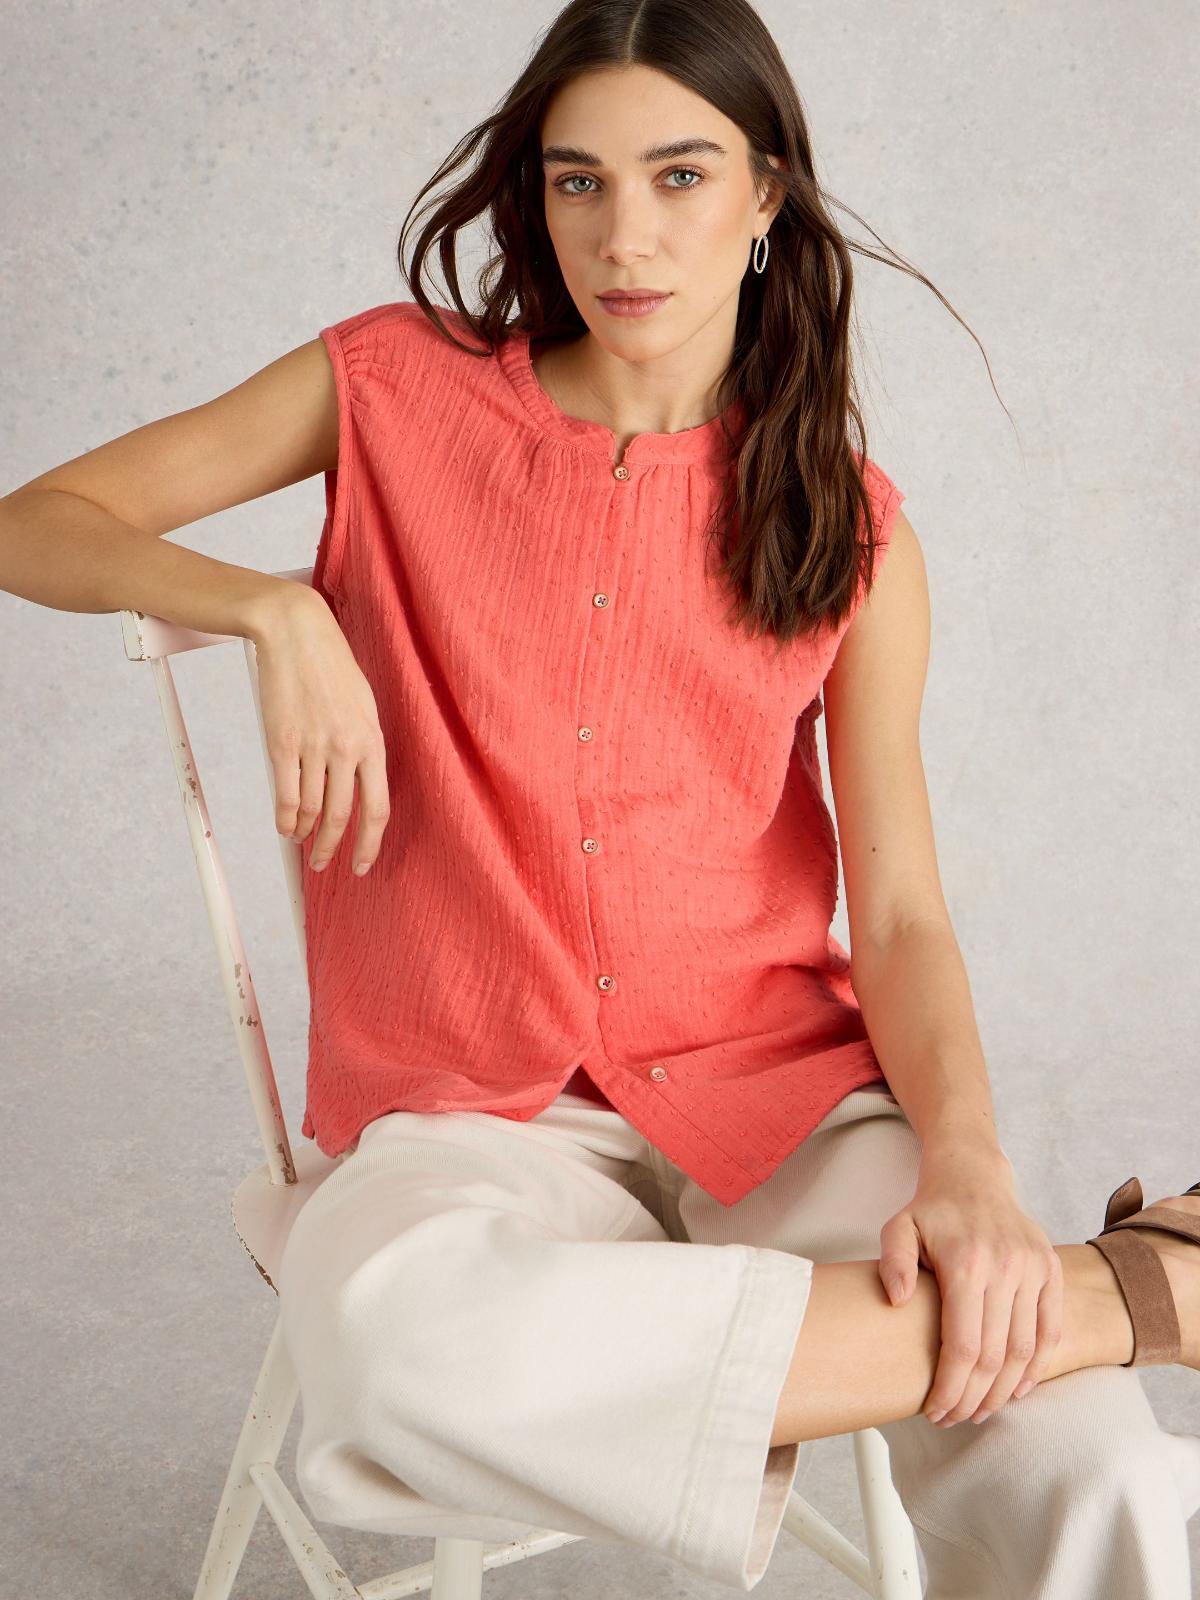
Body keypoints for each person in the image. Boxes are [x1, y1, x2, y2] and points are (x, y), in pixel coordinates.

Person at [2, 0, 1198, 1592]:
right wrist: (271, 608)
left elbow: (903, 911)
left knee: (1090, 1463)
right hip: (466, 1107)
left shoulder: (851, 527)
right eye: (580, 181)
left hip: (779, 1093)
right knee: (393, 1347)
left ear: (768, 194)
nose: (624, 237)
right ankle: (1128, 1291)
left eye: (680, 175)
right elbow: (35, 519)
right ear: (539, 194)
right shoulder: (389, 388)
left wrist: (969, 1166)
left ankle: (1007, 1315)